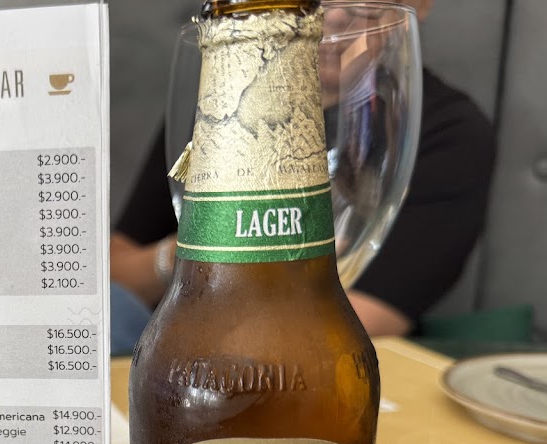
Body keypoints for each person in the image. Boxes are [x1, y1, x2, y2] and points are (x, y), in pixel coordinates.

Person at [110, 0, 495, 352]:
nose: (332, 15)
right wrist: (193, 249)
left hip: (315, 366)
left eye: (361, 2)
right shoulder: (226, 96)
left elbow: (362, 320)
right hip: (169, 345)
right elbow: (111, 273)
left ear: (419, 5)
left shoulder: (447, 132)